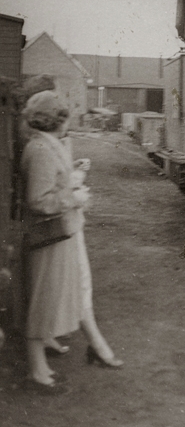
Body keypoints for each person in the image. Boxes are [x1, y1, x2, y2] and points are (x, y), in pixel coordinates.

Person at [20, 91, 121, 394]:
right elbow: (38, 200)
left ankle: (41, 366)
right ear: (57, 120)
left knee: (49, 298)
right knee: (43, 300)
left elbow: (52, 182)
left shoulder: (45, 144)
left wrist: (70, 177)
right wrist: (73, 198)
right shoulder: (41, 149)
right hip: (50, 235)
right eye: (65, 117)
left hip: (59, 233)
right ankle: (38, 372)